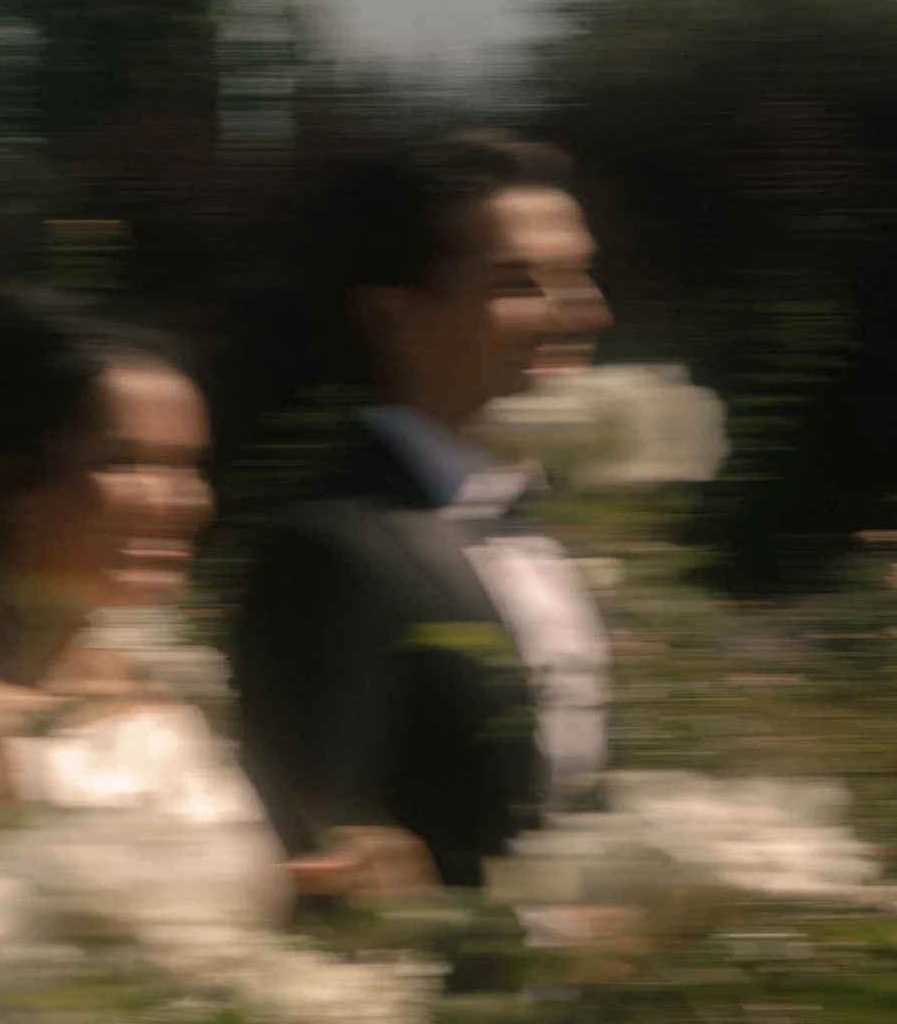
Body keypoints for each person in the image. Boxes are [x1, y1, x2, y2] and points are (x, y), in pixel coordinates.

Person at [0, 280, 419, 915]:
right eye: (124, 461)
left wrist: (331, 882)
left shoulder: (169, 693)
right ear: (2, 481)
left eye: (189, 467)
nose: (180, 503)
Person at [234, 131, 616, 889]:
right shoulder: (331, 549)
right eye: (518, 283)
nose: (581, 313)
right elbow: (317, 858)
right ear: (393, 317)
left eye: (580, 276)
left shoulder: (550, 517)